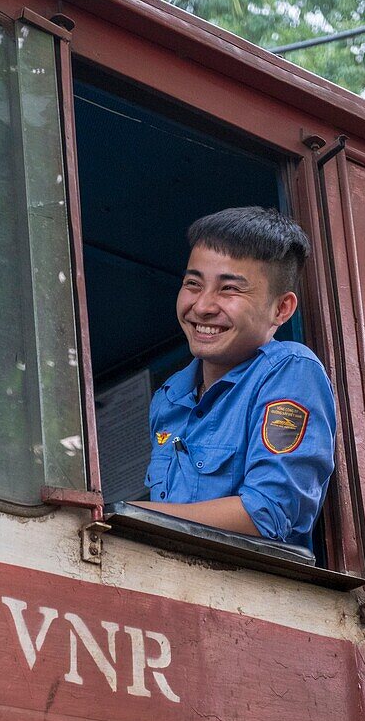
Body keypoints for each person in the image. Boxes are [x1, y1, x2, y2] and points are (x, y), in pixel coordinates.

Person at [136, 206, 336, 552]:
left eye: (229, 290)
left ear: (281, 309)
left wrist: (132, 516)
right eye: (193, 284)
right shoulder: (168, 397)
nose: (202, 306)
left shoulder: (289, 371)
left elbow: (268, 512)